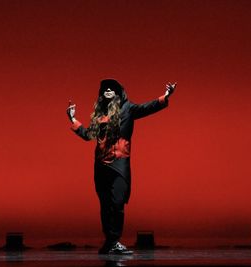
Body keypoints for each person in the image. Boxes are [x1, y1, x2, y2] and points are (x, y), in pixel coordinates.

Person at [66, 79, 176, 254]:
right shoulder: (99, 115)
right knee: (105, 205)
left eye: (112, 88)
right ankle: (110, 242)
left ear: (118, 92)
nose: (108, 90)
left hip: (119, 164)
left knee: (117, 203)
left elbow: (148, 107)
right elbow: (88, 135)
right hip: (101, 166)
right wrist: (73, 118)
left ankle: (113, 241)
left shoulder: (128, 109)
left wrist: (166, 96)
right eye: (105, 88)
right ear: (102, 93)